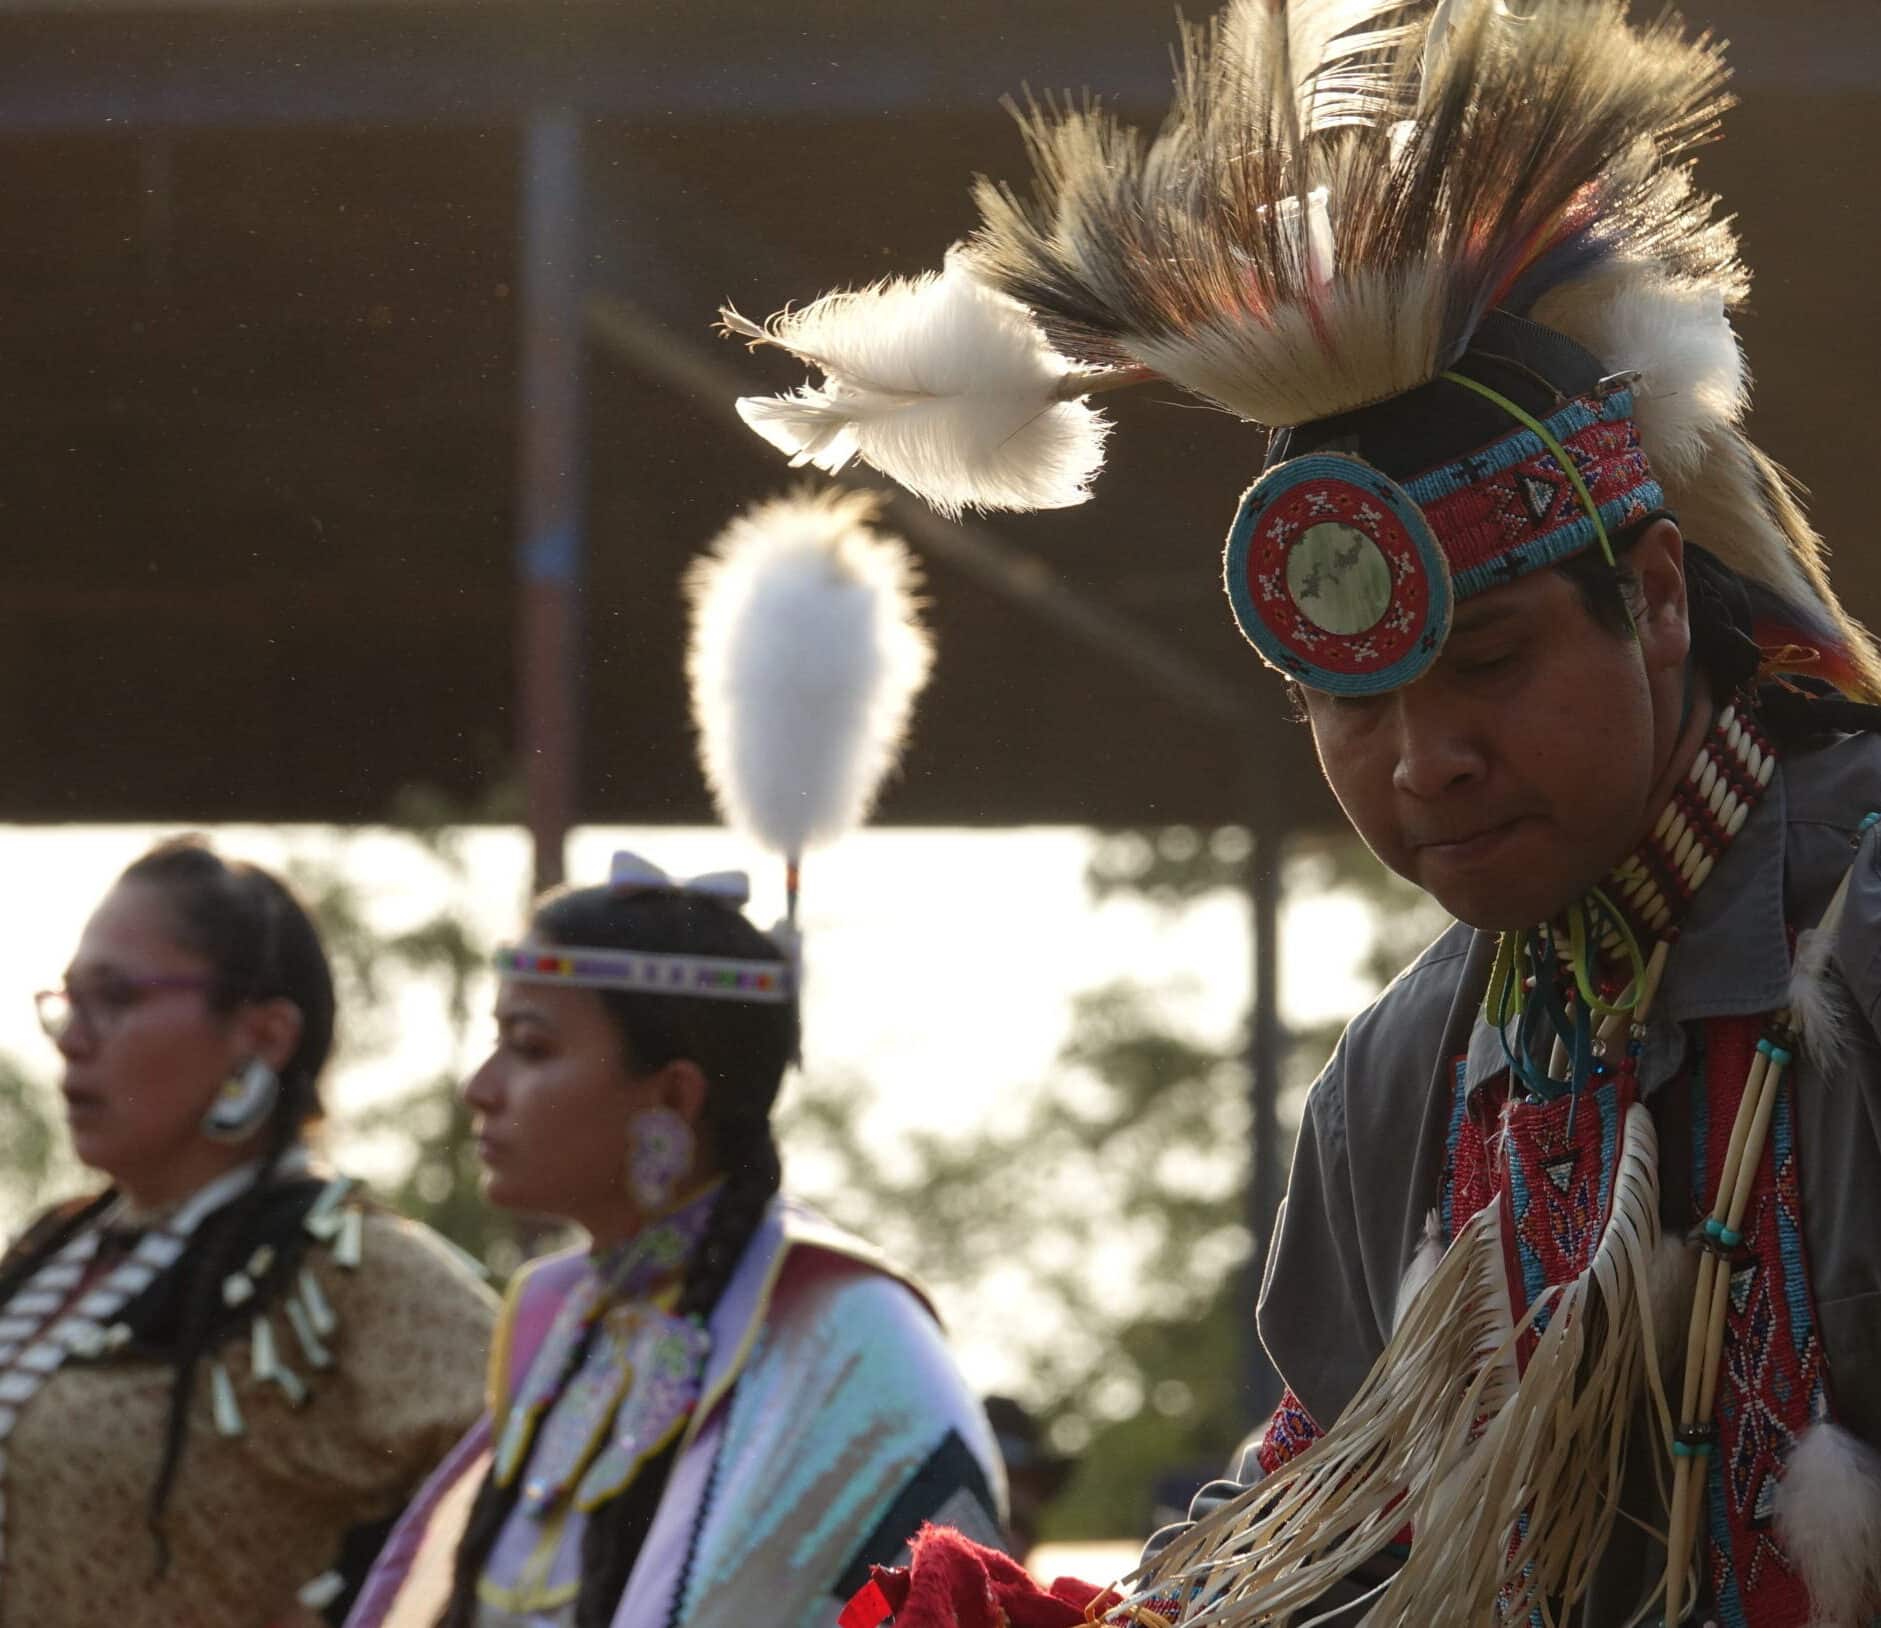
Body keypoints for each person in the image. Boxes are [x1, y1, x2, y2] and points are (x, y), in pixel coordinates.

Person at [723, 2, 1881, 1623]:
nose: (1424, 760)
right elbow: (1323, 1519)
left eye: (1486, 662)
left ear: (1660, 597)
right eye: (1349, 704)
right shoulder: (1418, 1078)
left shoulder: (1857, 932)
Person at [346, 855, 1006, 1628]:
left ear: (672, 1096)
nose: (481, 1087)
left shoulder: (848, 1336)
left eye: (530, 1047)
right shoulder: (563, 1318)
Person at [0, 835, 495, 1626]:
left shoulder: (351, 1269)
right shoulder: (50, 1252)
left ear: (262, 1035)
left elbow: (554, 1476)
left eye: (117, 997)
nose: (72, 1037)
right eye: (68, 1000)